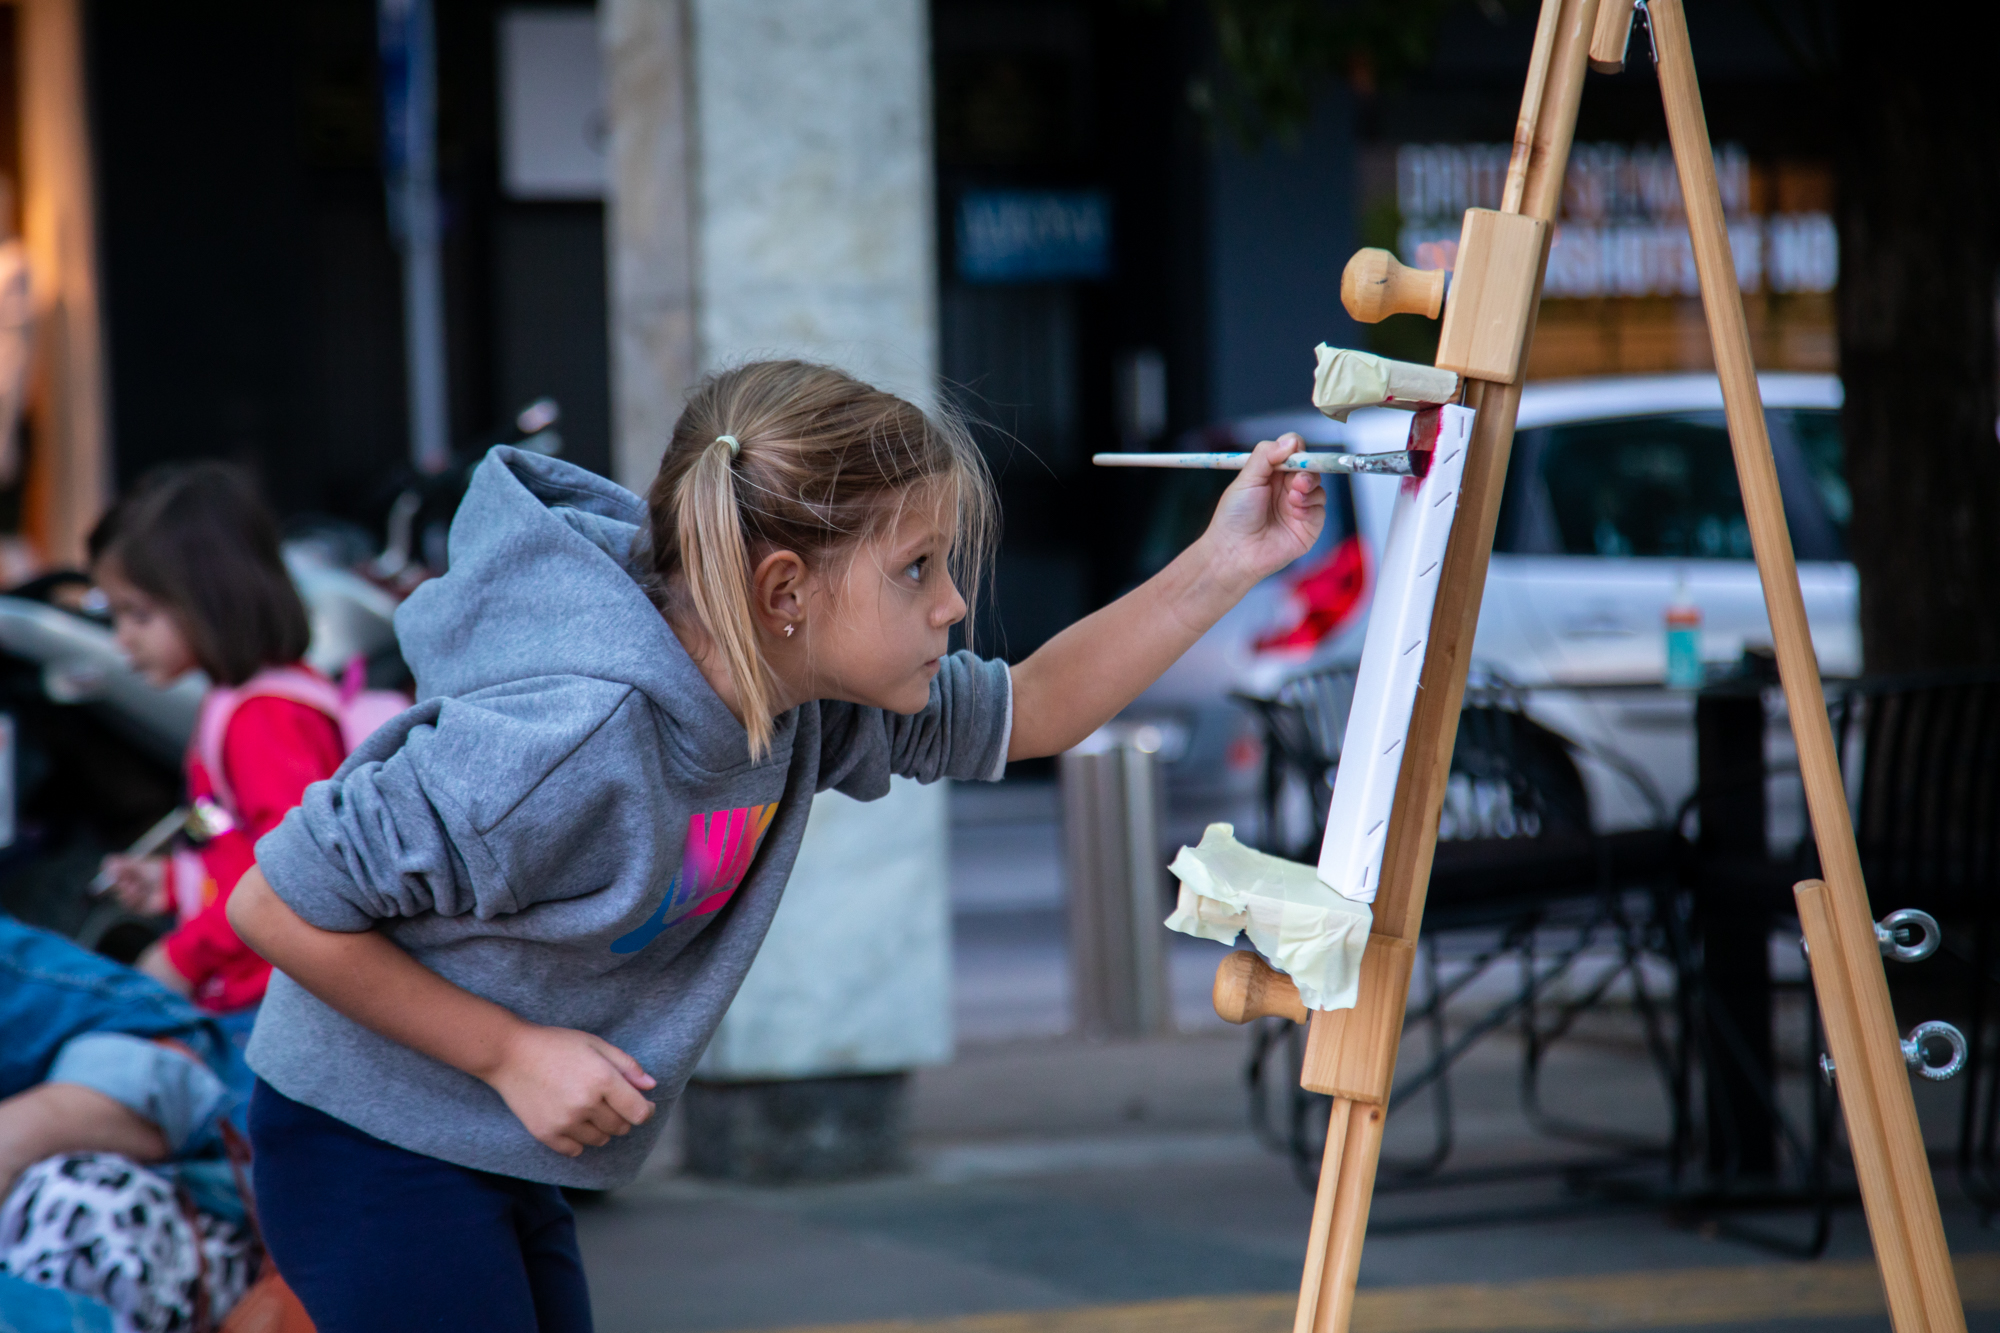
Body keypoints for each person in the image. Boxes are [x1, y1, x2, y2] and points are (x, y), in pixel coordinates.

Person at [227, 360, 1325, 1333]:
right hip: (363, 1133)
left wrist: (1226, 562)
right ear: (784, 590)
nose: (951, 605)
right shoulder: (566, 739)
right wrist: (509, 1052)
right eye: (915, 568)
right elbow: (271, 906)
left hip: (491, 1140)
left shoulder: (804, 691)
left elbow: (1030, 707)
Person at [90, 464, 347, 1027]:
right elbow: (230, 826)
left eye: (139, 613)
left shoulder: (263, 718)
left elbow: (287, 867)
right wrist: (177, 879)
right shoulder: (239, 703)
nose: (122, 638)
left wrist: (181, 956)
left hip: (272, 1004)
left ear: (208, 597)